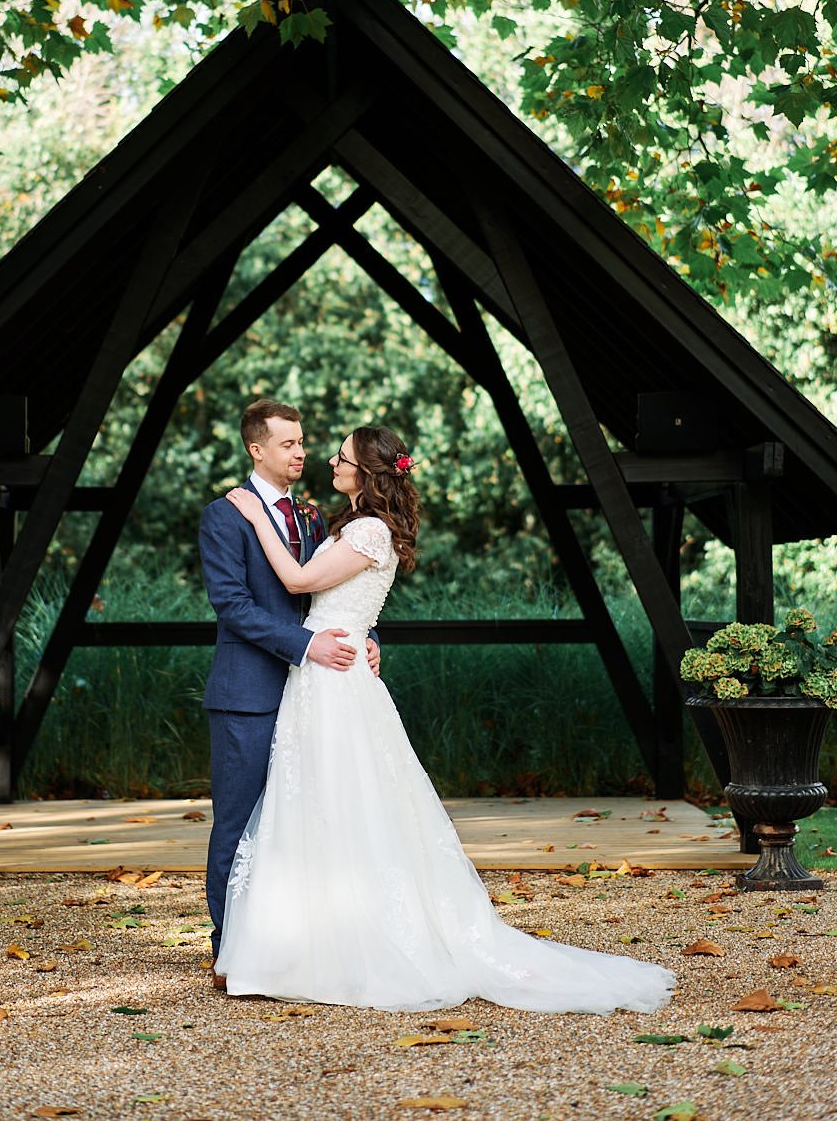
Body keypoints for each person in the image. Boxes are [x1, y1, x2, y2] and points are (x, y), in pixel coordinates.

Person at [215, 424, 676, 1014]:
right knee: (317, 803)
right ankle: (311, 939)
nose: (329, 461)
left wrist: (256, 519)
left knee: (339, 801)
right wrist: (361, 633)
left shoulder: (370, 529)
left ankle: (352, 944)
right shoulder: (354, 525)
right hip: (320, 677)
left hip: (334, 683)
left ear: (367, 473)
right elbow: (331, 603)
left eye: (341, 456)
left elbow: (301, 582)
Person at [199, 399, 379, 987]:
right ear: (257, 449)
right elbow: (233, 607)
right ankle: (229, 950)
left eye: (304, 442)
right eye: (289, 444)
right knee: (239, 824)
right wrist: (308, 648)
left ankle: (291, 945)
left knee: (299, 823)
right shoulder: (224, 517)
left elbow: (328, 593)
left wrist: (365, 635)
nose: (302, 452)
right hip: (248, 694)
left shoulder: (310, 517)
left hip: (314, 697)